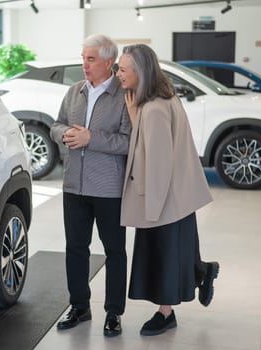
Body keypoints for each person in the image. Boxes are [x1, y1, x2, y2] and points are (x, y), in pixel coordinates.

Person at [116, 44, 220, 336]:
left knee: (162, 255)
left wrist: (152, 207)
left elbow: (158, 162)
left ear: (141, 72)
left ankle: (166, 314)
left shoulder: (154, 110)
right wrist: (136, 114)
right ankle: (200, 271)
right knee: (174, 250)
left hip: (163, 198)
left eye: (123, 69)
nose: (119, 74)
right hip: (178, 197)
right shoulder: (163, 98)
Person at [50, 34, 131, 337]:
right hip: (73, 186)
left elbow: (128, 141)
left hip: (108, 188)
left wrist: (90, 139)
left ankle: (114, 312)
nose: (84, 64)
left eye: (91, 59)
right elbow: (56, 124)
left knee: (114, 251)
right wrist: (65, 134)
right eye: (83, 57)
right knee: (75, 249)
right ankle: (80, 307)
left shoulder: (125, 95)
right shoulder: (74, 92)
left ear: (109, 62)